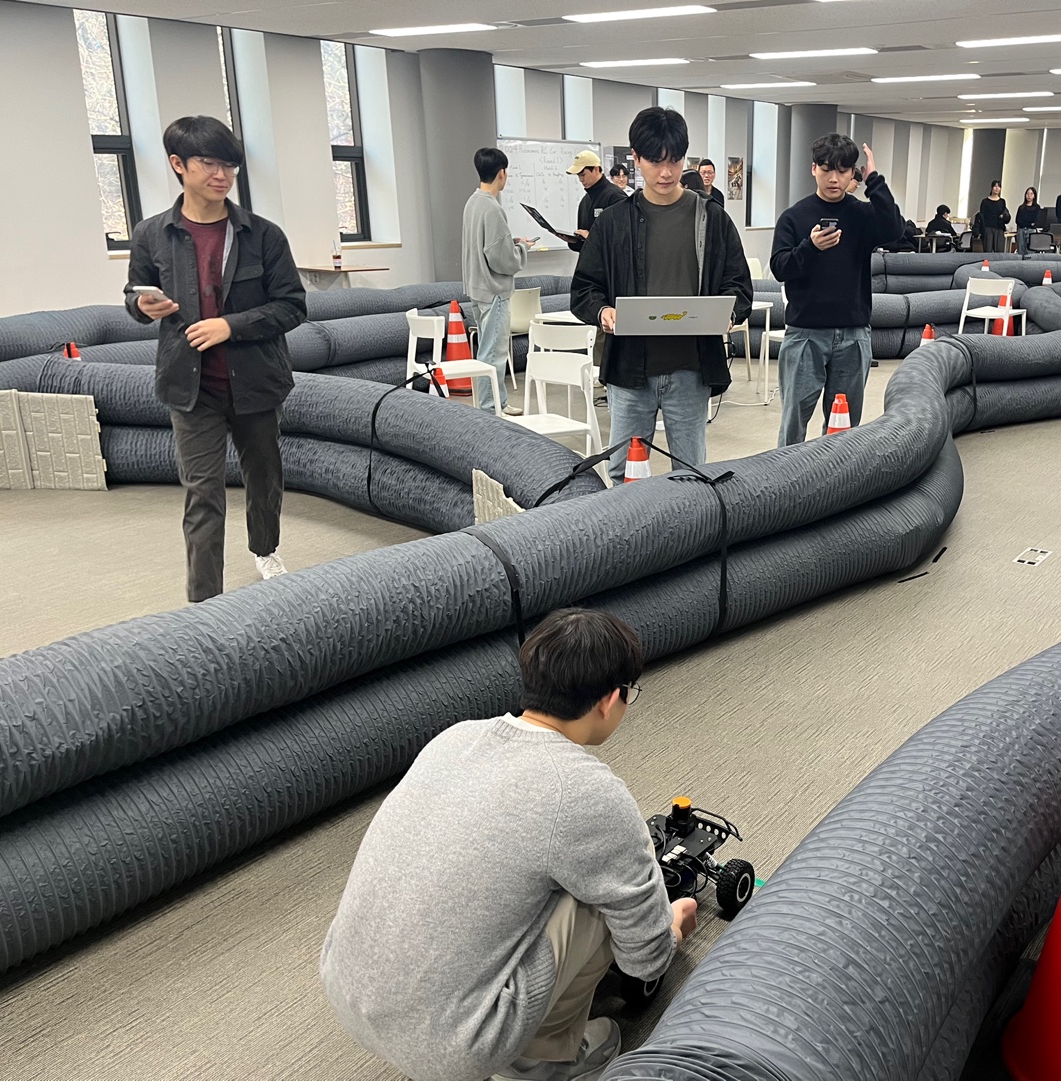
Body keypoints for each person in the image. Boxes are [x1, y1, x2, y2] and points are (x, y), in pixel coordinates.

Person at [320, 607, 697, 1081]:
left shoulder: (455, 737)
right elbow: (645, 958)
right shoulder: (587, 792)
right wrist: (671, 928)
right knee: (602, 897)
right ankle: (541, 1063)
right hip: (455, 1048)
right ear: (608, 700)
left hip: (344, 989)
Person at [124, 115, 305, 603]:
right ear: (178, 164)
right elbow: (134, 295)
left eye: (230, 166)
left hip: (256, 382)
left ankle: (265, 547)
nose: (221, 175)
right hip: (190, 386)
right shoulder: (151, 235)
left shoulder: (263, 235)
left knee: (263, 477)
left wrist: (231, 325)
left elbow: (293, 306)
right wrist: (141, 305)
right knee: (202, 494)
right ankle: (204, 605)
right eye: (209, 163)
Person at [571, 107, 752, 483]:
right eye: (655, 161)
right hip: (630, 370)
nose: (666, 172)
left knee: (691, 475)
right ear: (636, 158)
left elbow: (738, 286)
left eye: (675, 160)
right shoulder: (614, 223)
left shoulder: (712, 219)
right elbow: (585, 288)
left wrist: (728, 313)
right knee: (624, 473)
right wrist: (603, 312)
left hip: (691, 370)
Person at [769, 133, 904, 446]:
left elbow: (895, 229)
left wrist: (875, 180)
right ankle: (786, 474)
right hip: (805, 333)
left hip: (853, 334)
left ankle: (837, 477)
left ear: (852, 173)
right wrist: (810, 247)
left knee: (844, 426)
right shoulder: (794, 217)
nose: (834, 178)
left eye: (842, 171)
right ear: (813, 169)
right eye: (826, 169)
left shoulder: (862, 214)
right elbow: (779, 267)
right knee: (793, 422)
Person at [462, 147, 536, 416]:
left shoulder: (473, 202)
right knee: (493, 353)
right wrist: (522, 249)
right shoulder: (492, 208)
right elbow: (502, 259)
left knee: (488, 348)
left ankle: (498, 402)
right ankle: (490, 408)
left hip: (477, 288)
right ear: (502, 173)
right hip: (494, 291)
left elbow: (486, 245)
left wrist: (511, 242)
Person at [565, 149, 626, 252]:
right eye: (578, 175)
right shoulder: (585, 201)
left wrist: (591, 237)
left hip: (609, 262)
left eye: (583, 174)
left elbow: (624, 240)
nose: (580, 179)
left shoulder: (615, 197)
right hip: (589, 261)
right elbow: (583, 245)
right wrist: (574, 241)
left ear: (596, 169)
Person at [976, 180, 1010, 253]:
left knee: (999, 251)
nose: (997, 188)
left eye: (999, 186)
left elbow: (1004, 214)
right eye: (995, 186)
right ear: (991, 188)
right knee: (987, 251)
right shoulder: (985, 201)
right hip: (988, 228)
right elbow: (981, 216)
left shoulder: (1002, 201)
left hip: (999, 229)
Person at [1015, 187, 1040, 255]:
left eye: (1031, 194)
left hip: (1031, 231)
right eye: (1027, 194)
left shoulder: (1037, 207)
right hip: (1021, 230)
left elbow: (1035, 220)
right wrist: (1029, 223)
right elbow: (1018, 220)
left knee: (1030, 252)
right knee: (1020, 251)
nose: (1029, 196)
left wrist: (1027, 222)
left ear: (1034, 196)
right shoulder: (1021, 207)